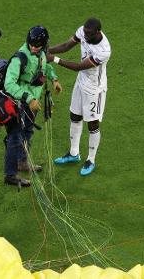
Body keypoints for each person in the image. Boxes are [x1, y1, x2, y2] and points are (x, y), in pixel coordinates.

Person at [47, 18, 111, 176]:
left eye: (89, 34)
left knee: (92, 124)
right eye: (85, 33)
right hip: (81, 82)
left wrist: (54, 59)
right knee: (74, 116)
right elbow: (66, 46)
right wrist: (49, 50)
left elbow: (78, 67)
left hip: (94, 89)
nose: (85, 36)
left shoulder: (103, 51)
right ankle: (74, 153)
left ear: (98, 32)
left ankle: (91, 159)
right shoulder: (83, 31)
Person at [3, 25, 62, 187]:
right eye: (32, 45)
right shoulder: (19, 58)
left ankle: (22, 162)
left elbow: (44, 67)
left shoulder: (41, 53)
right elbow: (9, 84)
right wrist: (29, 99)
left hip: (32, 105)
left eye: (37, 46)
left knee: (27, 132)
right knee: (15, 138)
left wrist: (54, 79)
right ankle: (10, 175)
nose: (33, 47)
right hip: (18, 104)